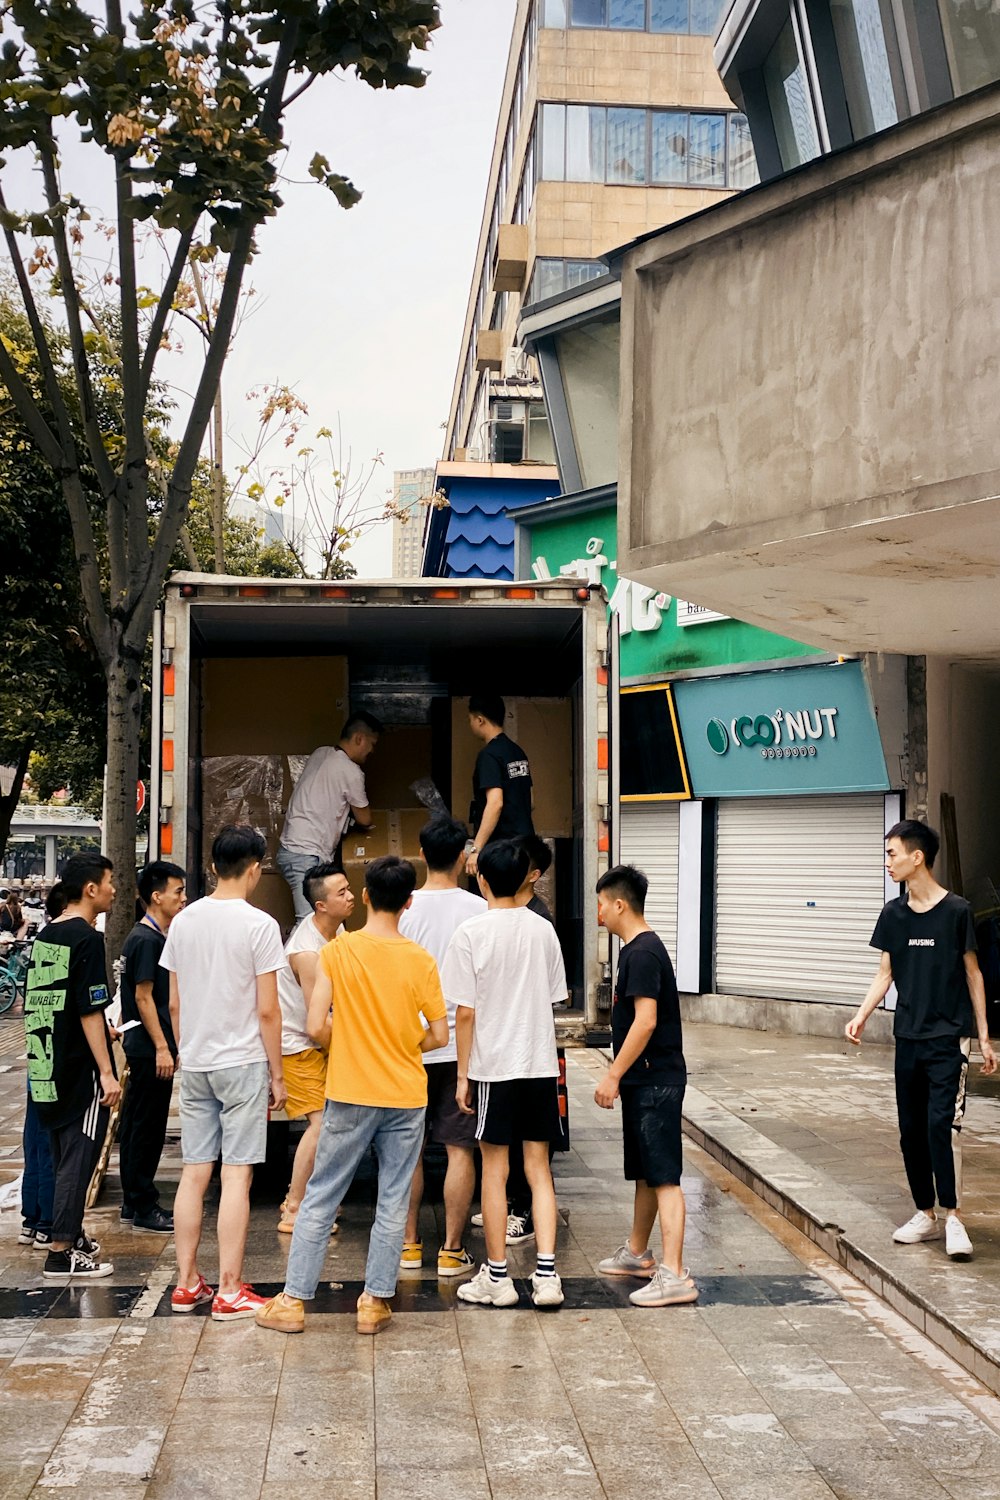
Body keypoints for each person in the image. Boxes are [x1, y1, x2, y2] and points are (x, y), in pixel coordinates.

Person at [255, 855, 448, 1338]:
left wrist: (354, 1040)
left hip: (349, 1091)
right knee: (393, 1198)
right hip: (406, 1093)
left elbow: (315, 1025)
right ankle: (373, 1303)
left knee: (321, 1195)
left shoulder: (337, 954)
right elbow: (441, 1035)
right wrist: (401, 1043)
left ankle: (294, 1302)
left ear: (364, 897)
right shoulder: (421, 959)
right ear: (407, 902)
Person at [846, 819, 997, 1260]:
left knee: (940, 1127)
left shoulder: (957, 912)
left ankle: (952, 1216)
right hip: (907, 1037)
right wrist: (860, 1016)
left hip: (948, 1039)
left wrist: (983, 1037)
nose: (888, 862)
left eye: (892, 854)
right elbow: (885, 973)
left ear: (918, 857)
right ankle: (924, 1214)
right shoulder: (893, 914)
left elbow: (974, 974)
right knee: (910, 1131)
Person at [161, 825, 287, 1320]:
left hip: (196, 1063)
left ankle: (187, 1283)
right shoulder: (259, 925)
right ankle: (231, 1289)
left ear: (214, 867)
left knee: (195, 1174)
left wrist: (187, 1047)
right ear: (255, 868)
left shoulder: (185, 921)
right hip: (242, 1064)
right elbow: (269, 1012)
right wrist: (277, 1075)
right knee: (237, 1177)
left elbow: (174, 1002)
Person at [447, 839, 567, 1310]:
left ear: (481, 879)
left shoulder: (470, 932)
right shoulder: (543, 930)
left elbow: (466, 1014)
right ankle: (546, 1276)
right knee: (538, 1171)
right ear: (525, 878)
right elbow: (555, 995)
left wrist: (462, 1077)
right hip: (538, 1063)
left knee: (494, 1173)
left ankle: (496, 1278)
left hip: (493, 1068)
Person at [593, 864, 698, 1307]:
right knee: (645, 1173)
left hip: (655, 1080)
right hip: (645, 1080)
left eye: (600, 905)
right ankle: (638, 1255)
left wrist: (613, 1073)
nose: (597, 914)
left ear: (619, 904)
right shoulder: (634, 950)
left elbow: (647, 1020)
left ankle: (674, 1274)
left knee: (664, 1177)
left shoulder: (643, 953)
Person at [24, 855, 120, 1280]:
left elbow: (50, 1003)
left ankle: (71, 1234)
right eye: (110, 882)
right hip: (78, 1071)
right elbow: (89, 1009)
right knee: (77, 1160)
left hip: (45, 1064)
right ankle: (61, 1252)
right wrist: (107, 1070)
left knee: (63, 1153)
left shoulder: (47, 934)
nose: (114, 889)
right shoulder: (86, 938)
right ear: (90, 889)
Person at [398, 816, 486, 1276]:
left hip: (409, 1047)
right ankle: (452, 1250)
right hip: (461, 1050)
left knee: (408, 1150)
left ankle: (409, 1245)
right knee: (459, 1149)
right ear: (461, 857)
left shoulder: (404, 910)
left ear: (421, 851)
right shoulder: (478, 909)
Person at [276, 861, 355, 1234]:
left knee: (334, 1122)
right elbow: (316, 1021)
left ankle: (313, 1198)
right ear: (320, 905)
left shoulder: (336, 929)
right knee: (321, 1125)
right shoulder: (306, 951)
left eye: (349, 888)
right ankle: (293, 1208)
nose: (351, 896)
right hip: (299, 1044)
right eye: (342, 893)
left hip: (322, 1039)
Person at [117, 860, 187, 1233]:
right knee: (145, 1129)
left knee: (136, 1126)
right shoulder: (146, 939)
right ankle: (144, 1205)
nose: (182, 898)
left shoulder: (150, 936)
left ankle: (133, 1201)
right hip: (148, 1048)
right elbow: (144, 998)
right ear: (156, 896)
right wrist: (163, 1046)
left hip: (146, 1046)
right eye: (177, 891)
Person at [276, 711, 382, 919]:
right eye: (372, 743)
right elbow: (365, 819)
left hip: (295, 848)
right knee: (309, 921)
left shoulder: (321, 753)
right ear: (359, 739)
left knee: (320, 920)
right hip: (306, 853)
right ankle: (295, 953)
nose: (372, 750)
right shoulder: (350, 771)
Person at [18, 885, 66, 1252]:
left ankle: (33, 1220)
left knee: (35, 1139)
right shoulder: (61, 940)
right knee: (50, 1143)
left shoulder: (42, 941)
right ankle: (48, 1221)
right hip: (52, 1056)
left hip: (38, 1050)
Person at [465, 696, 534, 877]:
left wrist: (476, 849)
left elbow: (495, 803)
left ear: (479, 720)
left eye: (470, 719)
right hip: (525, 845)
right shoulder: (517, 751)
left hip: (503, 851)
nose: (470, 724)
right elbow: (531, 801)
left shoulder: (489, 755)